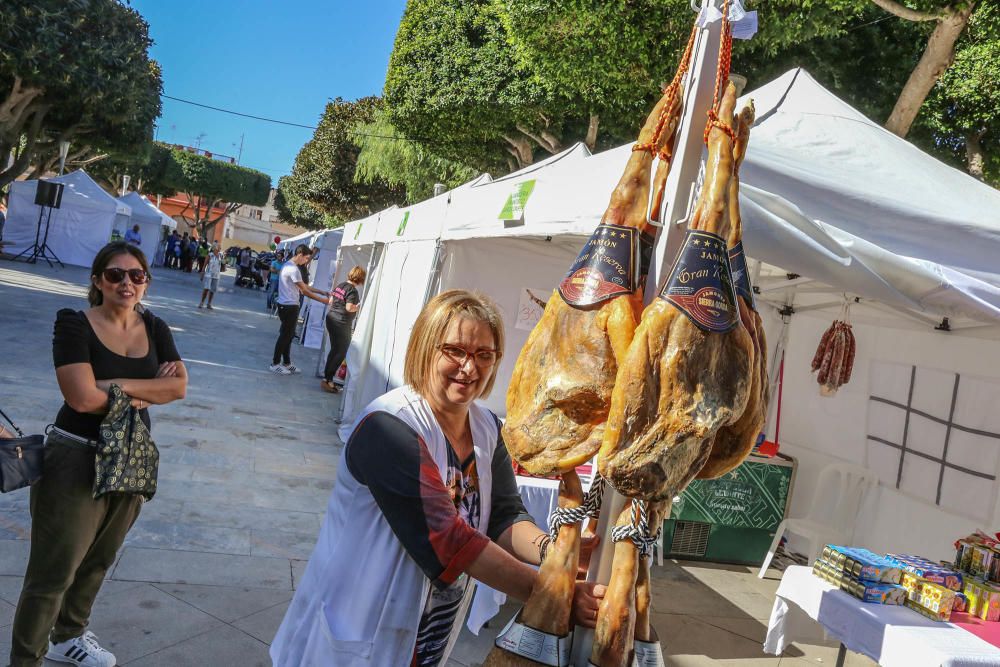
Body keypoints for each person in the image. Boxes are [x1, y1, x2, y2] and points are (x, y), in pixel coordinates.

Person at [270, 290, 603, 666]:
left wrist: (553, 554)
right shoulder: (388, 426)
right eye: (455, 351)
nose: (470, 367)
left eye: (484, 355)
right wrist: (553, 594)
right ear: (426, 348)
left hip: (426, 633)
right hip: (359, 625)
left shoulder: (488, 428)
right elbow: (449, 540)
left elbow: (505, 515)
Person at [9, 242, 187, 667]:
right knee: (54, 570)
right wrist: (143, 392)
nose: (127, 282)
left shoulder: (156, 326)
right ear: (97, 281)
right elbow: (81, 398)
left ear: (146, 281)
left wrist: (111, 386)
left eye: (136, 275)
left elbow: (178, 388)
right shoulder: (74, 325)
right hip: (75, 457)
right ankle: (24, 658)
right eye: (115, 274)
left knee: (98, 560)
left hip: (131, 454)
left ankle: (67, 637)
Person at [270, 244, 330, 375]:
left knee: (289, 335)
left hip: (288, 305)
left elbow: (304, 286)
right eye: (306, 258)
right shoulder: (293, 269)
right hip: (289, 306)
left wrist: (321, 291)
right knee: (285, 335)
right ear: (300, 254)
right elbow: (305, 291)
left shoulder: (289, 266)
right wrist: (323, 300)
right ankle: (275, 363)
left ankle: (286, 362)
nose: (306, 261)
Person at [320, 265, 366, 394]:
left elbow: (330, 301)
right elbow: (349, 308)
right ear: (360, 278)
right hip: (341, 322)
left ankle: (327, 378)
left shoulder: (340, 285)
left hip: (331, 318)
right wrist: (359, 307)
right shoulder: (352, 291)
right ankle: (329, 380)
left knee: (335, 350)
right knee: (340, 352)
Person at [198, 243, 224, 310]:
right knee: (206, 288)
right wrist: (202, 272)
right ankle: (202, 302)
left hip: (216, 275)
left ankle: (209, 303)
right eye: (219, 247)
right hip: (209, 274)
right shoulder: (210, 255)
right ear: (214, 248)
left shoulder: (221, 255)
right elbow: (205, 265)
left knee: (213, 290)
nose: (220, 248)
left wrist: (224, 263)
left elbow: (223, 263)